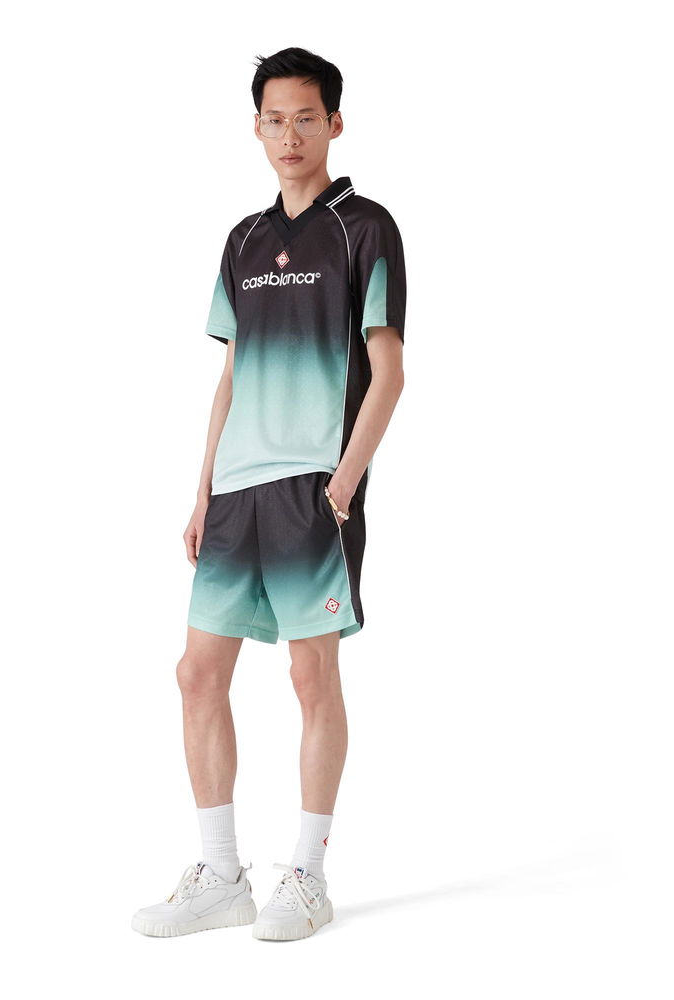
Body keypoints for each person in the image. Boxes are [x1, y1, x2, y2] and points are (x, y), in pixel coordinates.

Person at [132, 46, 407, 942]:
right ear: (256, 128)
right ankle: (221, 875)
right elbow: (231, 377)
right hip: (237, 492)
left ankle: (309, 875)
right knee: (196, 673)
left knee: (308, 673)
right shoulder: (243, 241)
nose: (290, 135)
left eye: (306, 118)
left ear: (335, 123)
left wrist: (343, 484)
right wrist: (202, 490)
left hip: (311, 490)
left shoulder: (365, 228)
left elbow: (390, 372)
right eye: (274, 119)